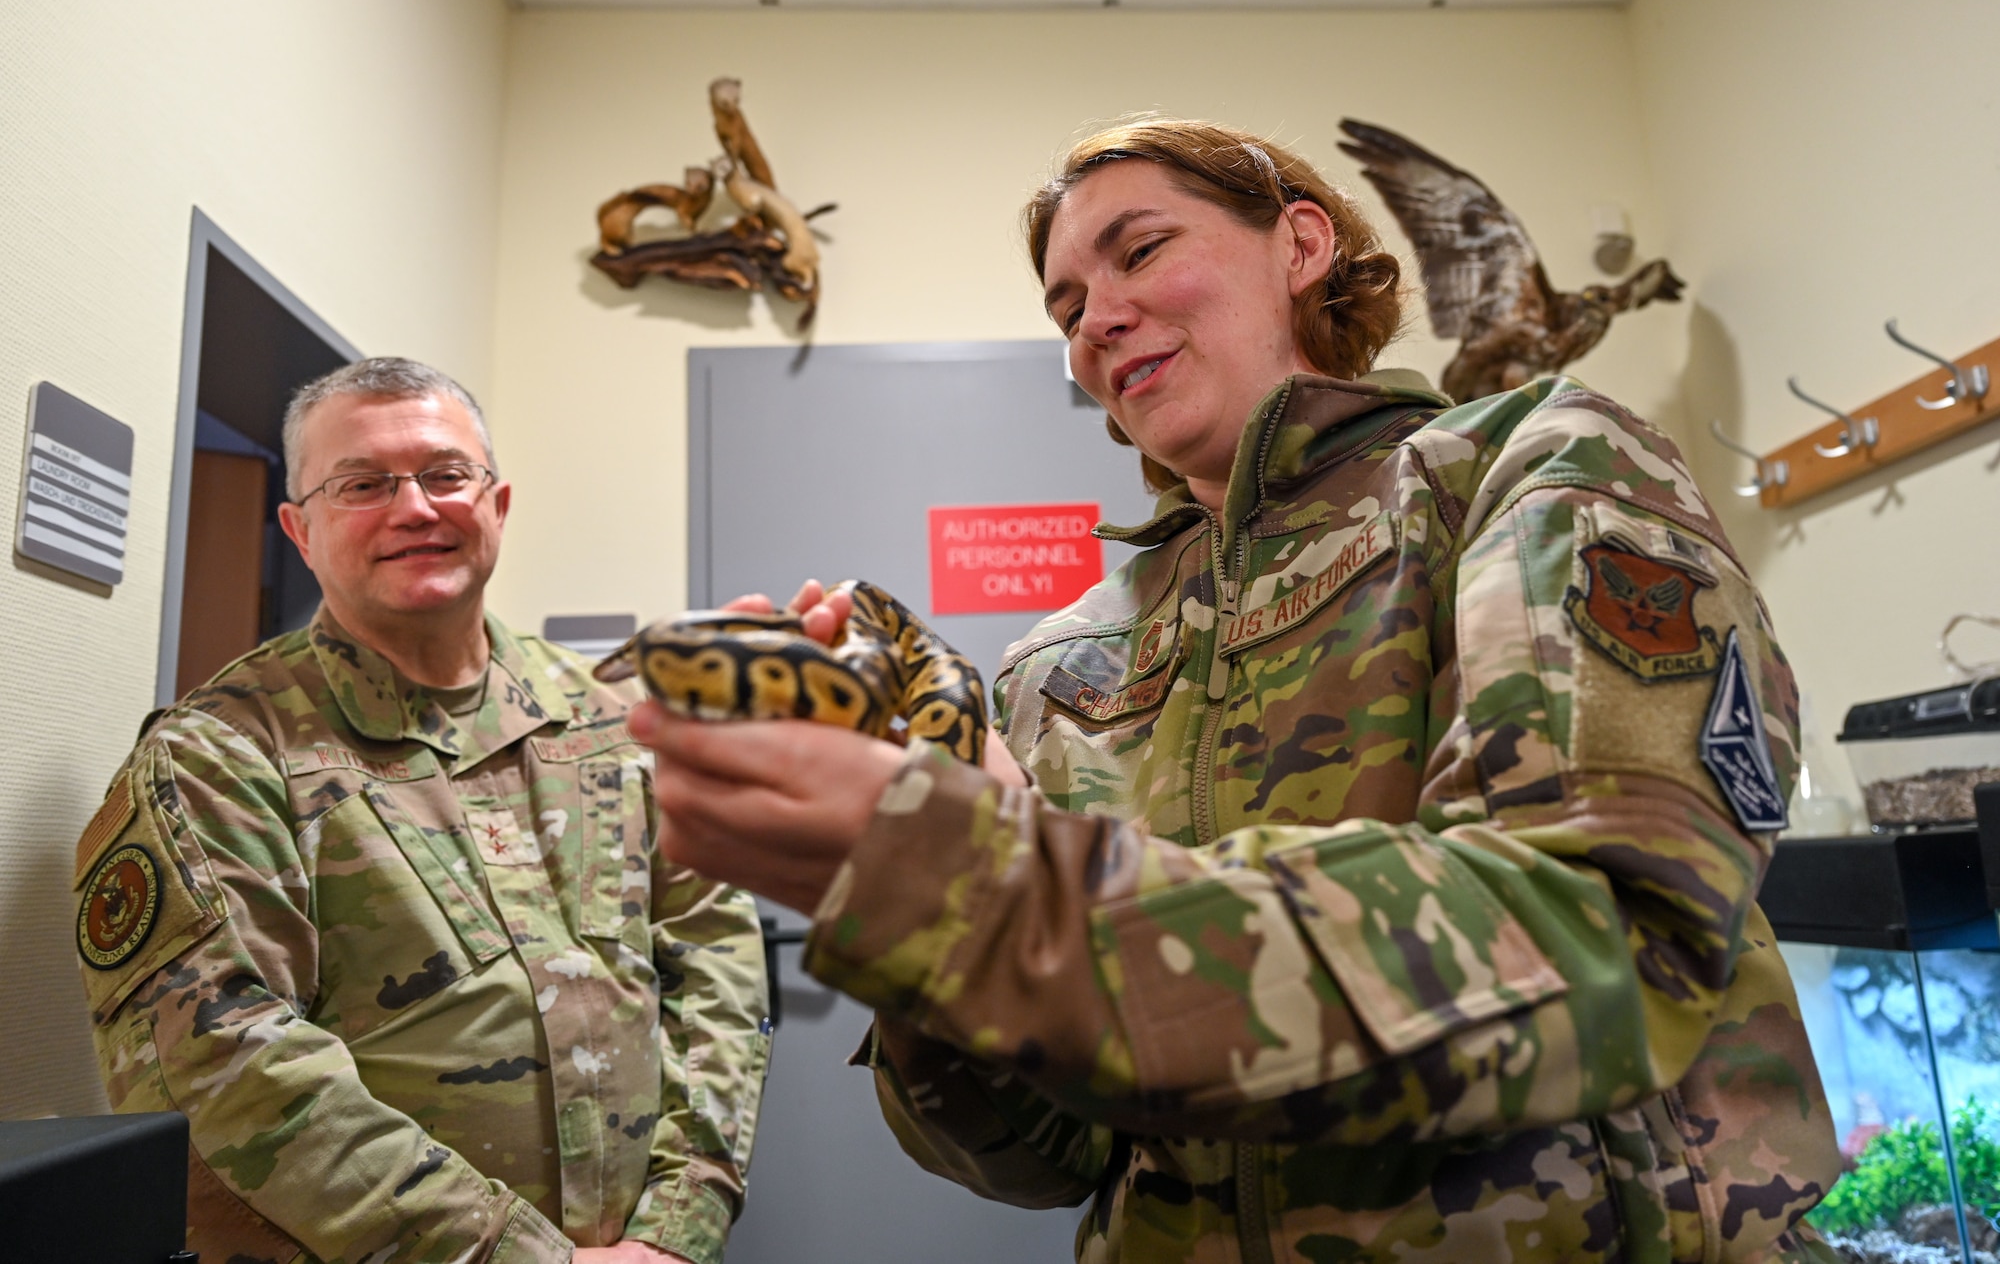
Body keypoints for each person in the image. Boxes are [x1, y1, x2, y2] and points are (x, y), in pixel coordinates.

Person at [631, 120, 1845, 1262]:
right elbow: (1042, 1156)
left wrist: (968, 884)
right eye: (1063, 307)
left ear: (1301, 245)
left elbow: (1607, 943)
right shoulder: (1061, 664)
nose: (1096, 322)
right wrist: (924, 878)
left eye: (1140, 249)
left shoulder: (1527, 469)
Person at [74, 358, 768, 1264]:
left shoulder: (614, 721)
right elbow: (226, 1063)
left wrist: (679, 1227)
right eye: (363, 484)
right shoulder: (220, 758)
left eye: (447, 475)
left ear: (498, 503)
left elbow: (714, 954)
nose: (416, 509)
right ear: (301, 530)